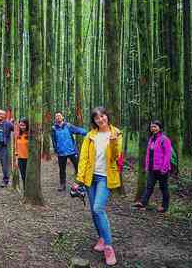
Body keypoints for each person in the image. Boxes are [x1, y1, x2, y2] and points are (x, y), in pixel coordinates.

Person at [72, 107, 122, 266]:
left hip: (105, 177)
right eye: (97, 118)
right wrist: (79, 179)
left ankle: (108, 247)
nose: (100, 120)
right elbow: (84, 159)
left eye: (103, 116)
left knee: (98, 208)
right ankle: (101, 237)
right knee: (93, 211)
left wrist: (113, 142)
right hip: (90, 177)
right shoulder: (90, 136)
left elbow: (116, 157)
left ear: (107, 116)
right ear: (94, 121)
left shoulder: (116, 133)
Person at [133, 120, 172, 213]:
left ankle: (164, 207)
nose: (153, 128)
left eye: (155, 126)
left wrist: (164, 168)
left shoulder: (164, 139)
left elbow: (167, 155)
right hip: (152, 168)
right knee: (149, 186)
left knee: (164, 188)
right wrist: (147, 166)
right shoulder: (151, 139)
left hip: (162, 169)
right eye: (151, 127)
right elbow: (148, 154)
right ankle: (143, 202)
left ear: (159, 127)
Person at [51, 111, 87, 191]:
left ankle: (81, 183)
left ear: (63, 117)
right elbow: (54, 141)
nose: (58, 117)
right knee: (62, 170)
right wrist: (56, 150)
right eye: (56, 116)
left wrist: (87, 133)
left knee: (78, 167)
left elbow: (77, 130)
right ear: (55, 119)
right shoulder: (54, 128)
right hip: (61, 153)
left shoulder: (68, 126)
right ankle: (62, 185)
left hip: (72, 151)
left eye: (59, 116)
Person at [14, 117, 29, 189]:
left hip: (29, 159)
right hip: (20, 159)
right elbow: (16, 149)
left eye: (24, 125)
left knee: (29, 176)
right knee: (23, 175)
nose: (22, 127)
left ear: (27, 125)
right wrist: (16, 159)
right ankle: (25, 190)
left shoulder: (30, 135)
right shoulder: (18, 135)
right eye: (21, 125)